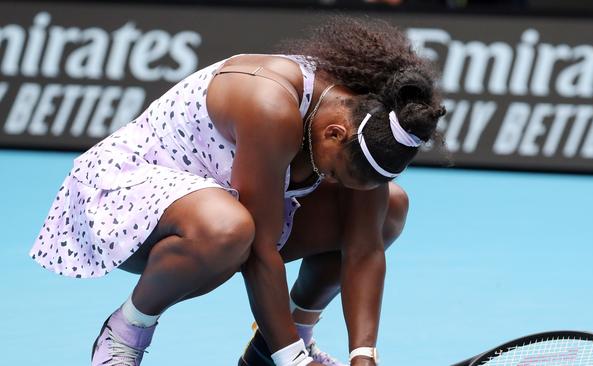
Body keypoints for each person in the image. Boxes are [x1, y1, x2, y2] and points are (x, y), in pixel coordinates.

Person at [29, 16, 445, 366]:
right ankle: (125, 333)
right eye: (334, 174)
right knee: (231, 229)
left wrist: (363, 357)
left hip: (232, 206)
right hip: (134, 201)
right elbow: (260, 252)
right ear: (335, 134)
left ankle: (270, 348)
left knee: (388, 207)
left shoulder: (367, 117)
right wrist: (294, 362)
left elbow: (364, 248)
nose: (330, 183)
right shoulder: (272, 107)